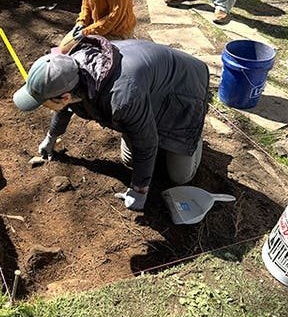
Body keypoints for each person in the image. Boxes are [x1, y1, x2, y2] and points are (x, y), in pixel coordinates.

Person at [13, 36, 209, 211]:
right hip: (148, 85)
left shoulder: (122, 99)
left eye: (43, 102)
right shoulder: (69, 74)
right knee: (130, 161)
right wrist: (51, 138)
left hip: (184, 86)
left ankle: (194, 137)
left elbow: (147, 143)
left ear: (65, 97)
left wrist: (139, 191)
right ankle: (152, 128)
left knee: (179, 176)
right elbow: (64, 108)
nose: (42, 106)